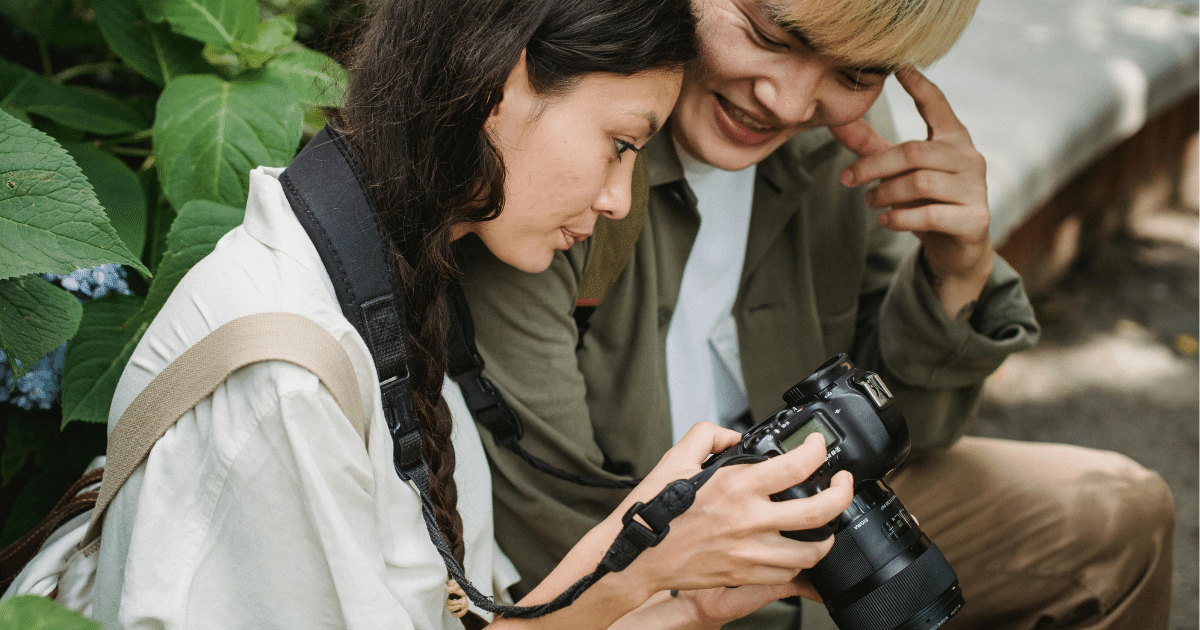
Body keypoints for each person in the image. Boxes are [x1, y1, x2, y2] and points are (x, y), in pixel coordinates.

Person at [92, 1, 864, 628]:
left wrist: (686, 599)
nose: (618, 198)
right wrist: (642, 555)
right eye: (621, 144)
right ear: (504, 80)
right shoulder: (288, 381)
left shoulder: (386, 289)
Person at [458, 0, 1177, 628]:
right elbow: (563, 539)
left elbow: (913, 432)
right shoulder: (564, 178)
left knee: (1119, 518)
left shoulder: (844, 136)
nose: (791, 102)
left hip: (816, 514)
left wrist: (956, 273)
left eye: (857, 73)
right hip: (646, 560)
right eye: (770, 36)